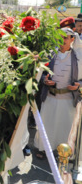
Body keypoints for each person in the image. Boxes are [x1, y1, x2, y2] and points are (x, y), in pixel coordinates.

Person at [35, 28, 81, 159]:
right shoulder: (49, 55)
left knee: (66, 128)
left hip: (68, 99)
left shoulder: (78, 57)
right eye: (60, 37)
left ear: (72, 39)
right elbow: (41, 73)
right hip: (50, 97)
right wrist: (45, 79)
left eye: (66, 37)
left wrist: (79, 85)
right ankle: (43, 150)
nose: (62, 40)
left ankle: (65, 153)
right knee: (46, 125)